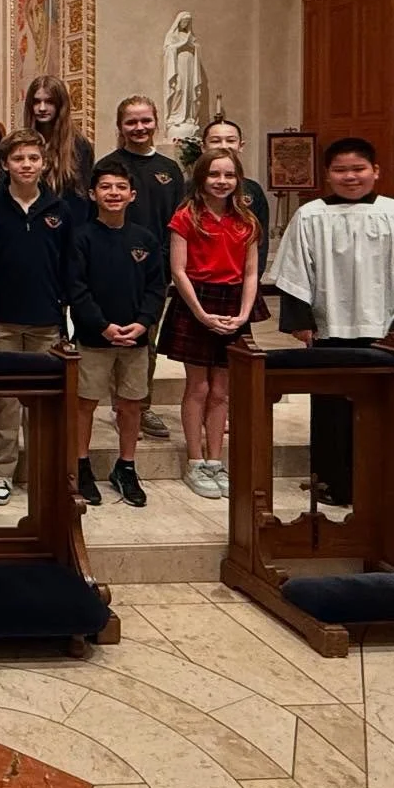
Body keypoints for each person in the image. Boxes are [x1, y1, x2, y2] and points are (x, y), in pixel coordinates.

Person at [268, 136, 394, 506]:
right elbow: (294, 272)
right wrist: (300, 321)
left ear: (376, 171)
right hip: (330, 329)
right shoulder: (310, 216)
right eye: (341, 170)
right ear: (328, 174)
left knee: (390, 412)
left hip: (385, 333)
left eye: (358, 169)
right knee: (332, 411)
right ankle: (334, 486)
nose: (350, 177)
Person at [0, 128, 71, 506]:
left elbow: (69, 264)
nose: (26, 165)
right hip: (5, 319)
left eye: (33, 158)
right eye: (18, 159)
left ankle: (43, 471)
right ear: (4, 164)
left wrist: (67, 311)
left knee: (44, 401)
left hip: (47, 317)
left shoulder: (59, 210)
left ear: (44, 164)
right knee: (6, 401)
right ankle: (1, 472)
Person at [160, 148, 263, 499]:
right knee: (199, 387)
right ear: (201, 179)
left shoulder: (247, 221)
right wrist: (201, 313)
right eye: (214, 175)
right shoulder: (186, 216)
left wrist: (245, 313)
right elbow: (178, 269)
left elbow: (251, 272)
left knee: (222, 390)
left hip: (233, 301)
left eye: (229, 176)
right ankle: (195, 460)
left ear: (238, 180)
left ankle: (215, 461)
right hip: (196, 301)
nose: (221, 182)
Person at [69, 163, 166, 509]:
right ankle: (80, 465)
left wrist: (143, 323)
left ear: (132, 194)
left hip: (135, 339)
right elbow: (77, 288)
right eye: (106, 187)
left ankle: (125, 466)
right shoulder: (82, 237)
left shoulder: (145, 239)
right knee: (85, 403)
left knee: (130, 403)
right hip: (95, 338)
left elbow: (156, 286)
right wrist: (102, 326)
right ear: (93, 194)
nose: (113, 193)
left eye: (120, 187)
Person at [95, 96, 184, 441]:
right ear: (120, 127)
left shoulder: (169, 170)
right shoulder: (108, 165)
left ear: (156, 122)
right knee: (109, 333)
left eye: (145, 120)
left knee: (145, 336)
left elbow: (179, 220)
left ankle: (140, 406)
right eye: (131, 122)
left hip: (154, 268)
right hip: (112, 265)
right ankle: (117, 403)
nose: (139, 128)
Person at [202, 118, 270, 279]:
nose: (224, 145)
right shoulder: (189, 189)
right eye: (215, 141)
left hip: (243, 278)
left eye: (231, 140)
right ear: (203, 146)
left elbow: (260, 240)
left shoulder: (253, 190)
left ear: (241, 146)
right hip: (199, 279)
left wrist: (253, 277)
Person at [25, 75, 93, 225]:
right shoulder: (22, 144)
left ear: (60, 104)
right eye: (36, 102)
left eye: (49, 102)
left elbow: (82, 199)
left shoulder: (79, 145)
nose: (42, 108)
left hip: (68, 228)